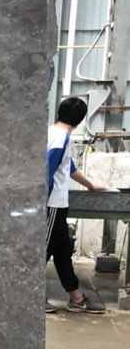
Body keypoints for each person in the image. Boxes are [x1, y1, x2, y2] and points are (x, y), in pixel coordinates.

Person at [46, 96, 110, 313]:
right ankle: (28, 298)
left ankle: (76, 298)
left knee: (62, 251)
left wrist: (91, 184)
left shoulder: (54, 133)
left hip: (57, 206)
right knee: (41, 252)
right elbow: (48, 169)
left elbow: (69, 168)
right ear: (81, 120)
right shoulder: (61, 137)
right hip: (51, 205)